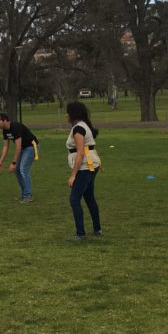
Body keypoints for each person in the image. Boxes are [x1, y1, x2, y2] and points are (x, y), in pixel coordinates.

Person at [65, 102, 102, 241]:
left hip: (85, 167)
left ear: (72, 114)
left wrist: (73, 175)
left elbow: (80, 153)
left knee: (74, 199)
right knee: (89, 197)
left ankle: (80, 234)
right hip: (91, 165)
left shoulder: (78, 129)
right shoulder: (83, 125)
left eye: (68, 113)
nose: (66, 115)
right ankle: (97, 229)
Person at [0, 113, 39, 203]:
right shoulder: (5, 131)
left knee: (23, 169)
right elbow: (5, 147)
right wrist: (0, 162)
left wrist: (14, 163)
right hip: (23, 148)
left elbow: (18, 146)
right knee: (17, 170)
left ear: (5, 121)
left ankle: (28, 196)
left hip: (31, 146)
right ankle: (25, 194)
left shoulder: (15, 127)